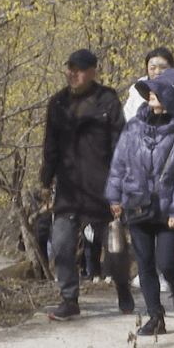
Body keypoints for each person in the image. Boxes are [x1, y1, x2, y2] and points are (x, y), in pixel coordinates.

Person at [40, 49, 134, 320]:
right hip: (70, 188)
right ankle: (69, 298)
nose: (73, 73)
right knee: (61, 243)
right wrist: (46, 181)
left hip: (103, 188)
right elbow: (50, 146)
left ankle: (122, 286)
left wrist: (120, 188)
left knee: (115, 248)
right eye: (69, 68)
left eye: (79, 69)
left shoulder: (107, 100)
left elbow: (121, 146)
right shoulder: (57, 103)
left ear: (92, 71)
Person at [107, 67, 174, 335]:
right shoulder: (134, 127)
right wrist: (114, 196)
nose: (150, 95)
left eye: (156, 91)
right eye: (150, 90)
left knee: (165, 262)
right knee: (144, 262)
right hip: (136, 204)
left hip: (168, 210)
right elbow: (119, 163)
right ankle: (155, 316)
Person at [122, 47, 174, 143]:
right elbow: (127, 125)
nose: (157, 72)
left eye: (163, 67)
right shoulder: (136, 93)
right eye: (152, 68)